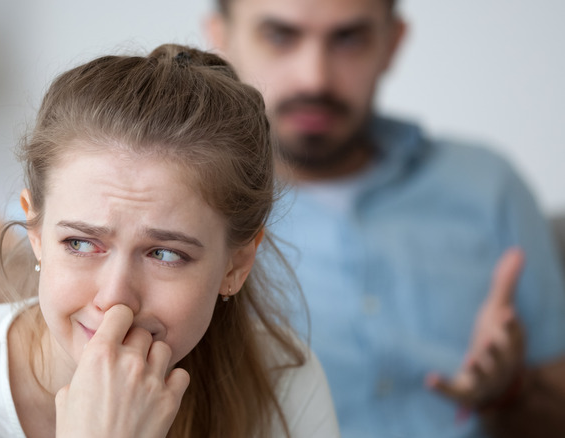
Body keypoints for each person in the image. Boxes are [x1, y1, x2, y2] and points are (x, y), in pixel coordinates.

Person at [0, 44, 340, 437]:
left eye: (165, 253)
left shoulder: (281, 378)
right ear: (35, 232)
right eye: (81, 243)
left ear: (237, 263)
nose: (115, 295)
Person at [205, 0, 565, 437]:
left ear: (392, 44)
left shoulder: (488, 184)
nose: (314, 78)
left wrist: (510, 391)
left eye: (349, 38)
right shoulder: (186, 215)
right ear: (222, 40)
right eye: (280, 36)